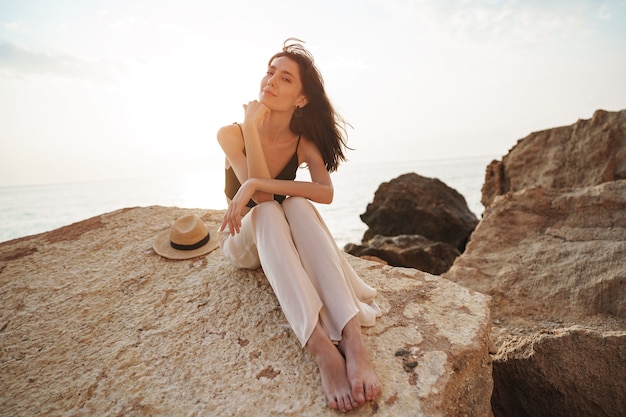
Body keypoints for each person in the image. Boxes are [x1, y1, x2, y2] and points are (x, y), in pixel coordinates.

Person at [217, 38, 382, 413]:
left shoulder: (303, 141)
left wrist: (258, 183)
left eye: (285, 78)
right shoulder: (231, 133)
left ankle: (353, 340)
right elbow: (259, 202)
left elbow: (324, 192)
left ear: (301, 99)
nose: (271, 80)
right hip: (244, 239)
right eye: (270, 71)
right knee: (269, 211)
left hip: (283, 235)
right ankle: (322, 349)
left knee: (297, 204)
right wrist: (250, 130)